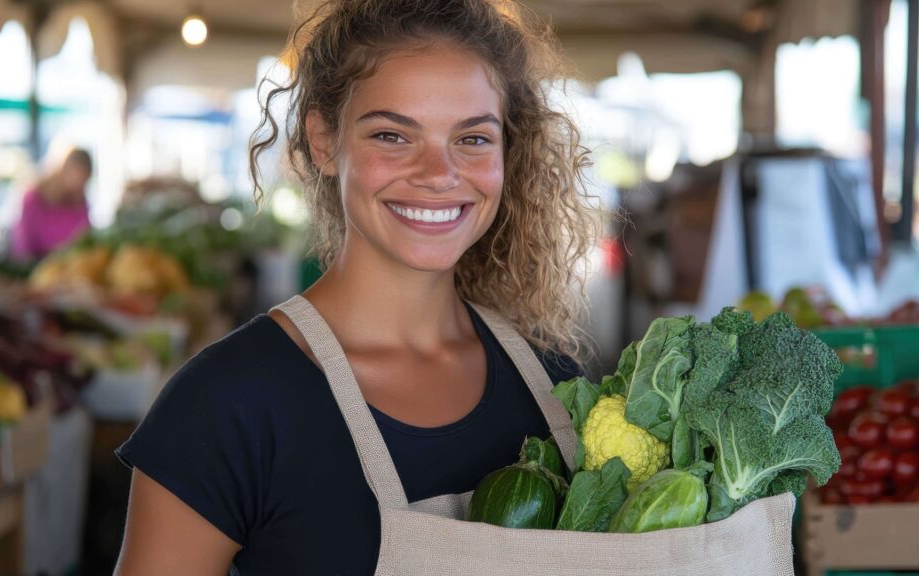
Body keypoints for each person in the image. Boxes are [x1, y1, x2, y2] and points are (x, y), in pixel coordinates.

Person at [112, 0, 598, 574]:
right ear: (323, 141)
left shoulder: (556, 391)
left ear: (508, 152)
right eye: (393, 135)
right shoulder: (226, 407)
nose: (439, 174)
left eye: (472, 139)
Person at [10, 147, 92, 261]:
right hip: (36, 268)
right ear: (63, 170)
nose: (78, 185)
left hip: (69, 269)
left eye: (83, 180)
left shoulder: (79, 201)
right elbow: (23, 246)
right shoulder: (34, 197)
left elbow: (86, 236)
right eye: (76, 175)